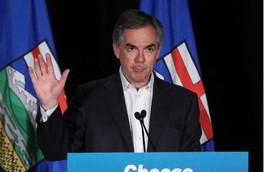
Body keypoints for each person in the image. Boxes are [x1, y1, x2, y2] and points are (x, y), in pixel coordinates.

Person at [28, 8, 202, 161]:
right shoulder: (88, 98)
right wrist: (49, 104)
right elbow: (56, 152)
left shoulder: (184, 102)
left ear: (158, 51)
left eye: (149, 49)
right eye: (131, 48)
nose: (140, 59)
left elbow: (192, 167)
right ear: (117, 50)